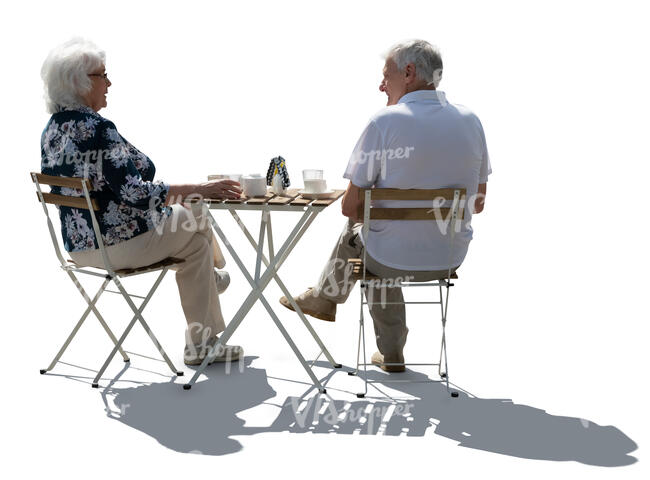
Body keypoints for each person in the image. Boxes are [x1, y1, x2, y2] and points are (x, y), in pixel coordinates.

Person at [280, 39, 491, 371]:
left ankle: (336, 304)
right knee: (371, 243)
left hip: (389, 259)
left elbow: (349, 208)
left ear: (408, 73)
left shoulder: (384, 123)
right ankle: (381, 346)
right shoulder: (471, 121)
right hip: (448, 257)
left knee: (362, 242)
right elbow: (477, 202)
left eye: (386, 75)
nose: (381, 85)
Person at [40, 38, 243, 365]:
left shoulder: (52, 130)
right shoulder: (100, 129)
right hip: (120, 245)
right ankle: (215, 279)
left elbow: (134, 169)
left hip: (79, 250)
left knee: (196, 248)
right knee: (197, 207)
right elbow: (135, 194)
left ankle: (204, 337)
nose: (109, 83)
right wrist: (201, 188)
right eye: (102, 75)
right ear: (79, 82)